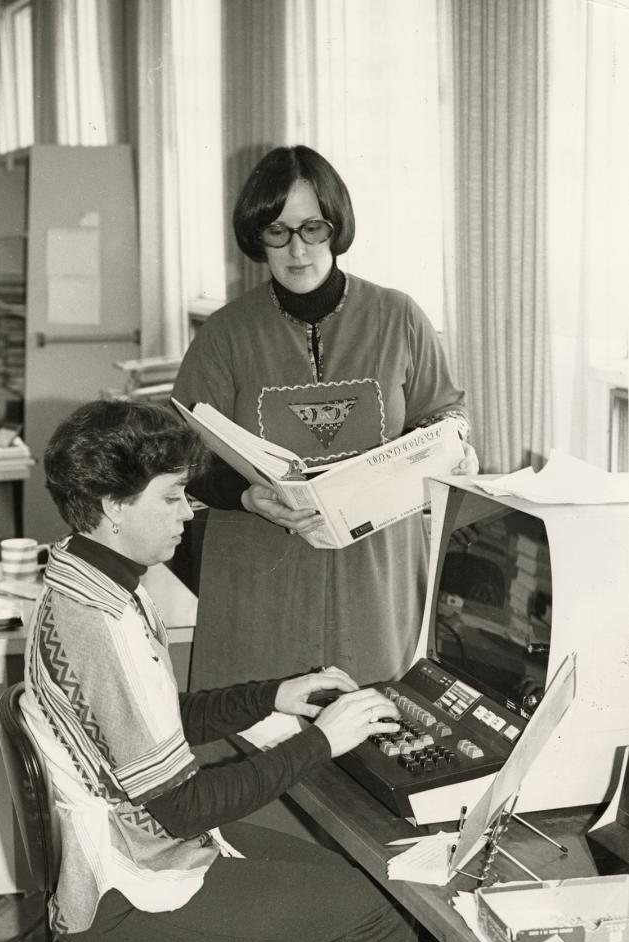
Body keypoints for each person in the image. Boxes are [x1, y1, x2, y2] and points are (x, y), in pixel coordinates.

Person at [20, 399, 524, 942]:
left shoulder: (96, 581)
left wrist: (271, 695)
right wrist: (320, 741)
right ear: (114, 506)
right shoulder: (95, 625)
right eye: (172, 496)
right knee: (369, 920)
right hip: (124, 890)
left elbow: (156, 717)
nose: (189, 511)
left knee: (390, 895)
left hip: (143, 847)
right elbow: (183, 807)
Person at [173, 144, 478, 692]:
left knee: (378, 741)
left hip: (375, 578)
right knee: (259, 754)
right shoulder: (224, 334)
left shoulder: (398, 316)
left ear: (336, 227)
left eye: (312, 228)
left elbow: (443, 413)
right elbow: (184, 454)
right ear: (256, 237)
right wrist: (246, 496)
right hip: (260, 579)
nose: (296, 250)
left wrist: (451, 443)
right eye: (277, 232)